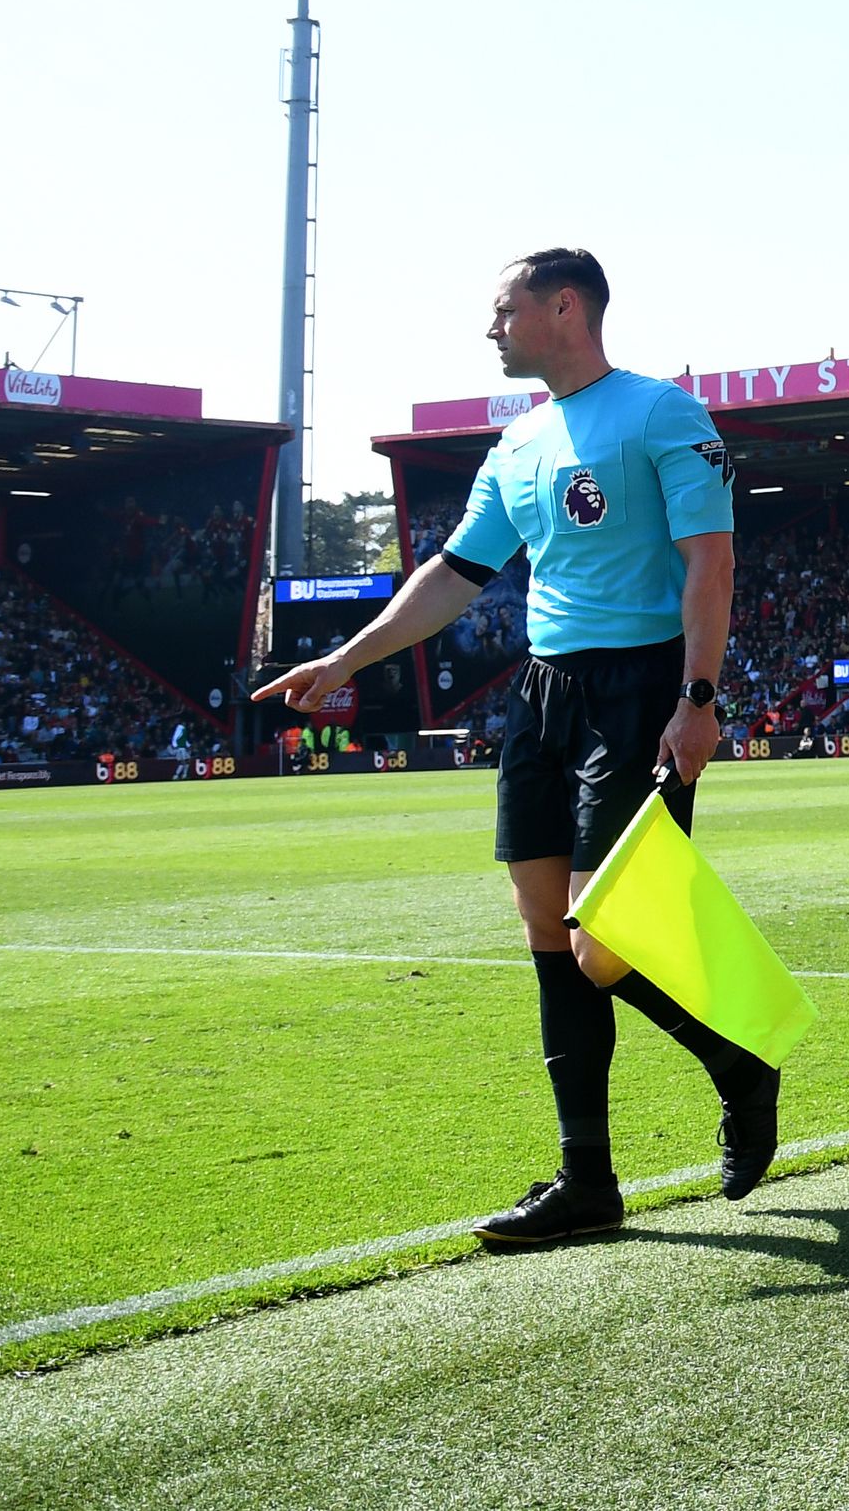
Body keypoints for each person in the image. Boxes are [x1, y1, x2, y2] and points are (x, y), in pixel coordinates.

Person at [254, 248, 772, 1247]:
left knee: (601, 941)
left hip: (640, 688)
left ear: (563, 305)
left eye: (504, 309)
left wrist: (696, 699)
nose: (491, 327)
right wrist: (345, 658)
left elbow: (709, 562)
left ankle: (741, 1063)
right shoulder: (520, 438)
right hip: (543, 697)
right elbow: (454, 573)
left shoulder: (661, 412)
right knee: (549, 937)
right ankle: (587, 1183)